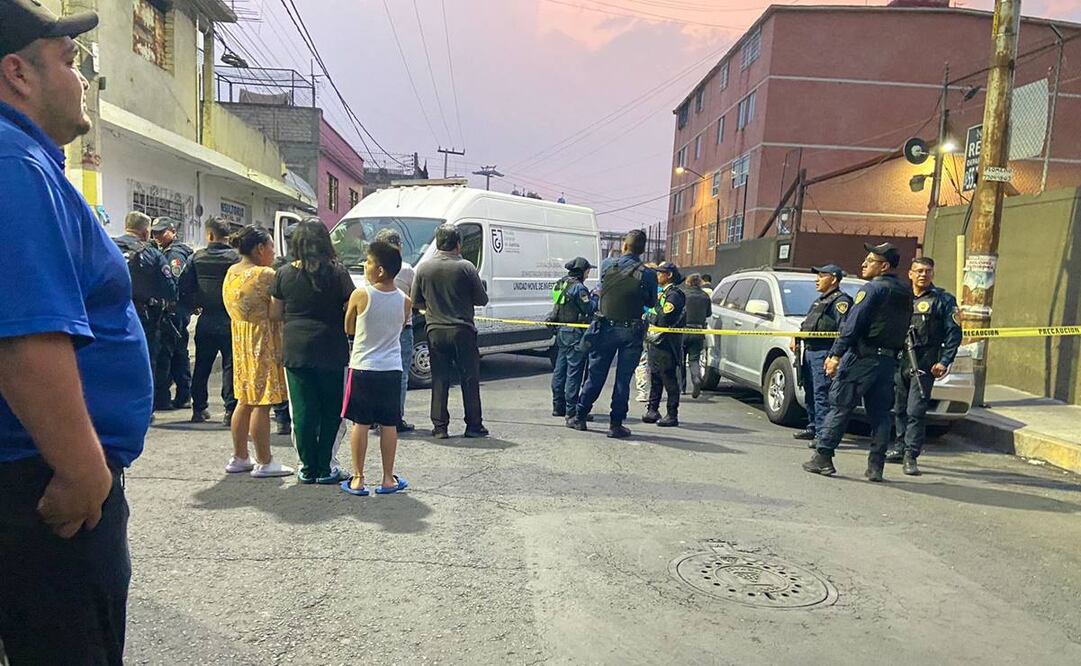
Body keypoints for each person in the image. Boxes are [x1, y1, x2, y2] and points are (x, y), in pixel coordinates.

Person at [0, 4, 149, 662]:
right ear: (18, 73)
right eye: (69, 61)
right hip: (40, 483)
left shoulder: (26, 161)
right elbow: (23, 336)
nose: (83, 78)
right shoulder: (12, 164)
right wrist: (83, 470)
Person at [804, 242, 913, 481]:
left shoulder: (872, 289)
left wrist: (835, 354)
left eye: (870, 260)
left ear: (884, 266)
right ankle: (876, 467)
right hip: (887, 362)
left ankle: (823, 457)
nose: (864, 264)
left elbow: (853, 324)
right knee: (880, 415)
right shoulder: (905, 291)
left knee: (840, 406)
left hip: (862, 358)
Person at [269, 219, 354, 484]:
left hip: (296, 349)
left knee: (302, 410)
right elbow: (351, 308)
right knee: (332, 409)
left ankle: (307, 467)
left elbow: (275, 313)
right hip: (332, 348)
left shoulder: (283, 273)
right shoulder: (338, 273)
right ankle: (326, 466)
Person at [568, 229, 658, 439]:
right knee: (622, 381)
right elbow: (651, 302)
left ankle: (580, 416)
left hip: (605, 328)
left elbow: (603, 289)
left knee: (595, 375)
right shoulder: (648, 274)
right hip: (631, 331)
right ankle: (616, 424)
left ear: (624, 245)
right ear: (643, 250)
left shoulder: (608, 265)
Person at [341, 240, 412, 496]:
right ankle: (387, 478)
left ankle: (358, 478)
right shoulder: (405, 300)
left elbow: (348, 327)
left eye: (368, 262)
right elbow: (399, 328)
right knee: (389, 424)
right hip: (391, 368)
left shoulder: (361, 295)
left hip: (363, 367)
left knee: (360, 423)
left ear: (380, 270)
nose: (365, 265)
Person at [222, 226, 293, 478]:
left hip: (240, 340)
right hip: (262, 341)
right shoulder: (265, 274)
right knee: (262, 402)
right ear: (260, 248)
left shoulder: (232, 271)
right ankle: (265, 460)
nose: (274, 251)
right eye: (271, 246)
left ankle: (240, 456)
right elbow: (276, 311)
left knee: (244, 400)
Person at [411, 224, 490, 439]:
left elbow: (416, 300)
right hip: (462, 329)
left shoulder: (424, 268)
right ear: (458, 244)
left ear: (437, 243)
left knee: (439, 379)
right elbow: (482, 299)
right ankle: (473, 425)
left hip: (435, 330)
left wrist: (432, 307)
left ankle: (440, 427)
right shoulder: (466, 267)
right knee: (469, 378)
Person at [887, 257, 961, 476]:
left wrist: (944, 361)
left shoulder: (943, 299)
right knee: (899, 408)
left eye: (927, 271)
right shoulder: (901, 297)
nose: (923, 275)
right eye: (919, 271)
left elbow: (954, 333)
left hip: (925, 361)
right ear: (910, 274)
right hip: (900, 360)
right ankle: (899, 446)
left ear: (932, 274)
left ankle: (911, 455)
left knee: (915, 411)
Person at [180, 217, 239, 425]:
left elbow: (184, 286)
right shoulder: (236, 258)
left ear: (210, 235)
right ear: (227, 235)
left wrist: (194, 305)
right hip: (231, 319)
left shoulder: (196, 258)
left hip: (206, 319)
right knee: (231, 366)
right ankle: (230, 410)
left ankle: (199, 408)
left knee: (202, 365)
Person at [791, 265, 852, 447]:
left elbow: (844, 329)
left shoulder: (841, 302)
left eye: (822, 276)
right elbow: (808, 323)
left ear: (833, 279)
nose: (817, 280)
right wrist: (796, 337)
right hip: (810, 351)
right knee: (810, 390)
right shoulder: (820, 300)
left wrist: (835, 356)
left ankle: (823, 434)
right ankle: (813, 426)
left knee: (822, 394)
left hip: (824, 351)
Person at [113, 212, 177, 381]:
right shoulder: (153, 254)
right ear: (145, 232)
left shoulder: (107, 247)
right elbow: (170, 289)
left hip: (108, 314)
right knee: (145, 362)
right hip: (142, 318)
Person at [375, 227, 417, 433]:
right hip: (403, 327)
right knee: (400, 375)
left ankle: (375, 416)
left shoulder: (373, 269)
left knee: (377, 371)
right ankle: (395, 417)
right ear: (399, 247)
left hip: (377, 326)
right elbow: (414, 298)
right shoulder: (407, 270)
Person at [150, 216, 194, 411]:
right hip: (176, 310)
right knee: (178, 352)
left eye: (162, 232)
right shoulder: (165, 250)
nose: (158, 236)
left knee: (166, 354)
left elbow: (173, 283)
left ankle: (165, 397)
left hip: (174, 310)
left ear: (173, 232)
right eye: (155, 232)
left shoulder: (175, 254)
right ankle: (183, 395)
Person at [549, 257, 597, 421]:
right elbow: (589, 308)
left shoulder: (561, 283)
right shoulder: (579, 288)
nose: (588, 275)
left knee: (560, 369)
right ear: (582, 271)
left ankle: (558, 406)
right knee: (574, 372)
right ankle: (572, 411)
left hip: (561, 330)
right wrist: (595, 297)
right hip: (575, 333)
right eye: (588, 271)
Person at [643, 262, 686, 427]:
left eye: (660, 273)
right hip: (656, 341)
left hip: (667, 343)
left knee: (668, 378)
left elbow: (663, 318)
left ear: (669, 275)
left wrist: (650, 315)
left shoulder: (674, 295)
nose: (657, 276)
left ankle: (672, 414)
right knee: (655, 377)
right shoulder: (662, 293)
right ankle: (652, 409)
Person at [270, 223, 297, 436]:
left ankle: (281, 417)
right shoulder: (310, 266)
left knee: (280, 373)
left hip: (279, 326)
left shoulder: (278, 266)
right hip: (294, 325)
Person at [679, 273, 711, 398]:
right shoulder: (705, 296)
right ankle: (696, 379)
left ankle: (681, 387)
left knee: (680, 360)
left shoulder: (683, 295)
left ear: (688, 282)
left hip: (683, 330)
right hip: (698, 331)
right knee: (694, 359)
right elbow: (708, 313)